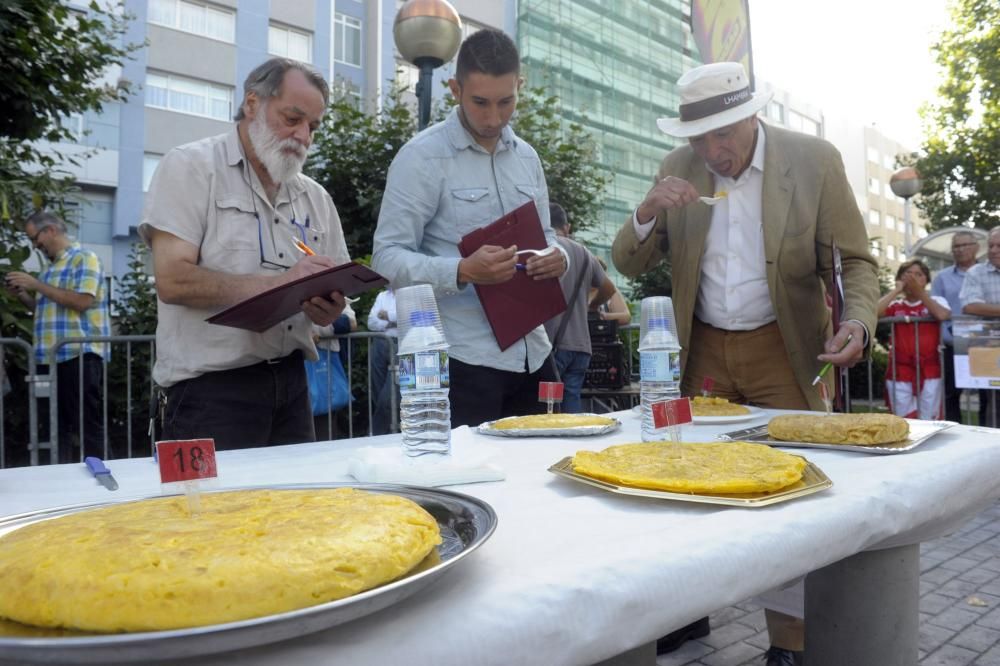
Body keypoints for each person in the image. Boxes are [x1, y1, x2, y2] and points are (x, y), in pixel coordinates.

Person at [611, 61, 879, 665]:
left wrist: (859, 322)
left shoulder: (813, 160)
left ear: (751, 114)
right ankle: (687, 609)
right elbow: (626, 263)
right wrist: (649, 209)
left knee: (784, 494)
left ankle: (787, 643)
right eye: (699, 138)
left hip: (782, 350)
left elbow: (858, 262)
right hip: (699, 349)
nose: (713, 150)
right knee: (685, 480)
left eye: (723, 133)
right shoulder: (676, 168)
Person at [139, 57, 351, 450]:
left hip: (293, 385)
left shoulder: (315, 197)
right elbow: (172, 280)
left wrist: (329, 309)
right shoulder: (191, 167)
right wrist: (283, 284)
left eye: (313, 126)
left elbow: (337, 289)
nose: (303, 135)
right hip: (209, 393)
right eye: (292, 118)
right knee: (212, 513)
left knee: (297, 511)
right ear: (252, 103)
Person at [372, 29, 568, 428]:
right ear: (454, 88)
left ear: (520, 87)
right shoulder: (421, 158)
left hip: (534, 351)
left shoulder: (528, 158)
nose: (494, 117)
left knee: (542, 478)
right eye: (480, 102)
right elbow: (386, 259)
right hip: (460, 361)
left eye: (506, 101)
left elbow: (546, 237)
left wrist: (557, 257)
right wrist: (462, 271)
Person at [5, 212, 111, 464]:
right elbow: (46, 309)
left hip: (79, 355)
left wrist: (36, 284)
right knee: (54, 427)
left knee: (86, 424)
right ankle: (61, 479)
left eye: (35, 238)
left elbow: (82, 301)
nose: (34, 246)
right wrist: (23, 294)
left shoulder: (84, 258)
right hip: (50, 357)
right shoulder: (50, 269)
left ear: (50, 230)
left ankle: (103, 479)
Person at [544, 203, 615, 413]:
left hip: (551, 346)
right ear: (566, 227)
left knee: (547, 408)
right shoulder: (584, 253)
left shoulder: (542, 250)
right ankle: (573, 445)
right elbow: (608, 289)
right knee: (571, 398)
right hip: (581, 346)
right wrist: (591, 306)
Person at [878, 260, 950, 419]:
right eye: (908, 274)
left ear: (926, 280)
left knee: (929, 417)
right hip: (900, 370)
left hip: (930, 370)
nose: (913, 278)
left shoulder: (936, 301)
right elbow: (874, 312)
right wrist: (896, 290)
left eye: (918, 274)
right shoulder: (896, 305)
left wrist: (920, 293)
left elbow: (942, 315)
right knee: (901, 417)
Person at [930, 231, 979, 422]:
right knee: (951, 394)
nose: (960, 250)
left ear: (976, 247)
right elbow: (935, 306)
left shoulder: (986, 272)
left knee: (989, 395)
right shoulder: (942, 278)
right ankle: (954, 433)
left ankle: (990, 435)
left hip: (983, 344)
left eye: (964, 245)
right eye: (956, 246)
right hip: (953, 346)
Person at [960, 226, 1000, 427]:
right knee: (992, 403)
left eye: (998, 246)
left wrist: (991, 309)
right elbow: (970, 305)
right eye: (991, 245)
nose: (993, 250)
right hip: (989, 349)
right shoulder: (976, 272)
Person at [366, 287, 399, 435]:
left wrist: (388, 316)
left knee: (389, 396)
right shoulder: (382, 294)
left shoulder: (410, 292)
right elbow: (371, 322)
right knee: (378, 393)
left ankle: (374, 434)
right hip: (381, 343)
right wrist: (392, 321)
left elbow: (410, 317)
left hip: (402, 344)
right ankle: (391, 432)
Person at [589, 257, 632, 326]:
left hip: (603, 334)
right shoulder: (577, 290)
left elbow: (626, 317)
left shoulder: (610, 290)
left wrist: (604, 316)